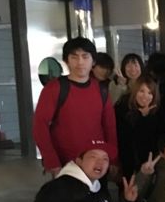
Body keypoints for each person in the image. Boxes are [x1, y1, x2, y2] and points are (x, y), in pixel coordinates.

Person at [33, 37, 118, 177]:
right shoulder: (54, 88)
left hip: (96, 163)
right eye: (74, 57)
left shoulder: (101, 90)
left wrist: (113, 159)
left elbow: (110, 126)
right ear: (66, 61)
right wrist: (52, 161)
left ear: (93, 61)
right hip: (66, 164)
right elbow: (39, 126)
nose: (80, 62)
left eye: (85, 57)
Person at [115, 74, 162, 179]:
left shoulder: (157, 111)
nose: (145, 96)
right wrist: (141, 117)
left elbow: (154, 141)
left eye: (150, 93)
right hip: (126, 162)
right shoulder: (122, 107)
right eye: (141, 91)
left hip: (149, 163)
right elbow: (124, 138)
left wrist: (146, 118)